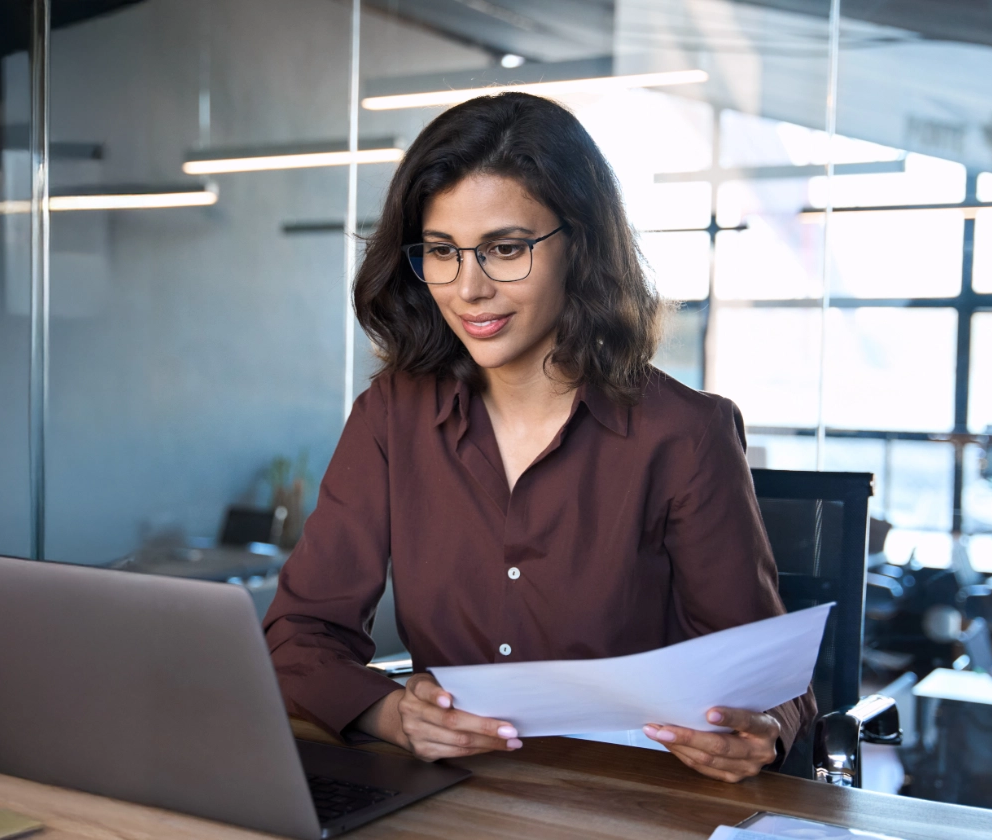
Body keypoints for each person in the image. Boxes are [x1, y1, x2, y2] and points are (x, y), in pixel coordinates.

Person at [262, 92, 813, 783]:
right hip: (452, 802)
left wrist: (759, 730)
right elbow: (300, 634)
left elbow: (772, 683)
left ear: (577, 245)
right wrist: (389, 714)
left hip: (632, 804)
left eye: (505, 249)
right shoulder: (390, 417)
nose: (469, 288)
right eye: (441, 252)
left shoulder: (684, 435)